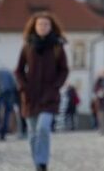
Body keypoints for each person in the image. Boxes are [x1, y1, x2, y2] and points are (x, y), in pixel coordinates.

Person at [14, 11, 69, 171]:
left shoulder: (57, 46)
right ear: (34, 26)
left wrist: (56, 85)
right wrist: (23, 86)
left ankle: (42, 163)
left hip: (49, 96)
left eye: (46, 24)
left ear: (51, 27)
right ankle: (37, 164)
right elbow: (18, 70)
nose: (42, 27)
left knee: (43, 128)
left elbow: (64, 70)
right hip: (30, 96)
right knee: (32, 133)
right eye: (40, 24)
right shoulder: (28, 46)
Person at [0, 69, 18, 141]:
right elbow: (14, 86)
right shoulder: (9, 73)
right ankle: (3, 134)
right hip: (8, 91)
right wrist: (14, 101)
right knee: (7, 113)